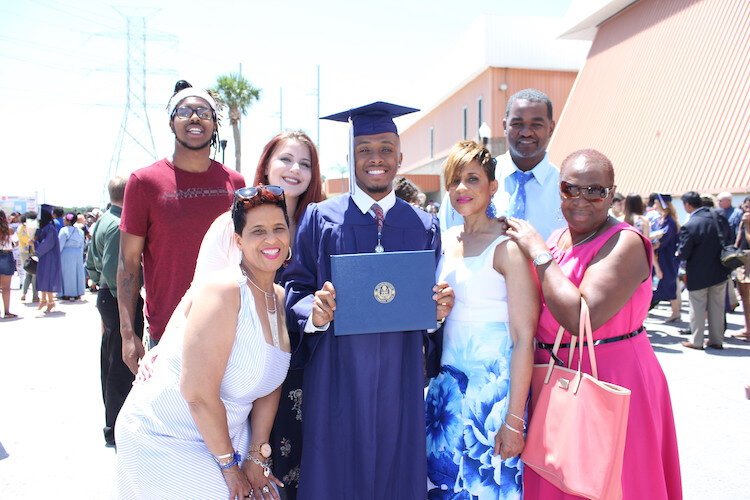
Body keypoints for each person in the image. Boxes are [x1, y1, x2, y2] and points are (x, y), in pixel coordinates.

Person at [284, 101, 455, 499]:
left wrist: (437, 314)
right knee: (335, 468)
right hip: (335, 373)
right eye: (364, 149)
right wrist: (316, 311)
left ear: (399, 156)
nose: (375, 158)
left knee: (396, 468)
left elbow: (425, 305)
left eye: (385, 148)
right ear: (351, 156)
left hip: (400, 373)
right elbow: (295, 288)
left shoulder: (424, 225)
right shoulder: (320, 218)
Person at [507, 149, 682, 499]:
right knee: (555, 477)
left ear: (611, 193)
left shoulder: (625, 242)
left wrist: (537, 252)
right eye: (572, 189)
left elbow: (579, 316)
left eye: (595, 191)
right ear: (560, 190)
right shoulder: (557, 239)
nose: (582, 199)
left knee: (613, 480)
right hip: (553, 377)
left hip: (611, 375)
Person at [116, 186, 292, 499]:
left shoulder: (277, 297)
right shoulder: (224, 290)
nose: (270, 240)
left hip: (225, 436)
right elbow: (197, 393)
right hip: (165, 435)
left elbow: (270, 382)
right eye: (258, 231)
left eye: (278, 228)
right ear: (238, 241)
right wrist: (229, 467)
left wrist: (256, 456)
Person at [425, 141, 538, 498]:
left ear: (492, 187)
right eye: (454, 180)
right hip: (446, 392)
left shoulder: (508, 247)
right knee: (442, 487)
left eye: (472, 179)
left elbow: (524, 337)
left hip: (494, 396)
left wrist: (514, 419)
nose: (461, 189)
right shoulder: (442, 242)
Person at [118, 80, 245, 373]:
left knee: (227, 418)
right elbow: (127, 265)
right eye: (184, 110)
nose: (195, 117)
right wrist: (128, 333)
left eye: (204, 111)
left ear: (214, 124)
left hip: (230, 327)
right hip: (168, 332)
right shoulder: (144, 183)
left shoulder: (235, 183)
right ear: (171, 121)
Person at [439, 88, 565, 241]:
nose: (526, 132)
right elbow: (449, 242)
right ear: (505, 126)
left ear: (550, 128)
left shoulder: (565, 190)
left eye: (536, 124)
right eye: (517, 124)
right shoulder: (472, 180)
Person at [86, 176, 145, 448]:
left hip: (105, 295)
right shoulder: (118, 226)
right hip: (117, 297)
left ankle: (111, 424)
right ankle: (117, 427)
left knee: (109, 363)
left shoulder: (102, 221)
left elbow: (94, 265)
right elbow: (116, 270)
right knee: (123, 366)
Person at [677, 191, 731, 350]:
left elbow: (684, 252)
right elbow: (730, 237)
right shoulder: (718, 217)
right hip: (720, 269)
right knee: (717, 306)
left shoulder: (690, 224)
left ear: (687, 205)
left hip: (698, 272)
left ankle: (697, 340)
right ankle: (716, 339)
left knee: (697, 306)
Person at [650, 194, 682, 321]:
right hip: (659, 257)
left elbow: (664, 239)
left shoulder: (670, 221)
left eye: (657, 203)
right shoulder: (660, 219)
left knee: (669, 283)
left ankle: (675, 312)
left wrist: (654, 243)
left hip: (667, 258)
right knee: (656, 285)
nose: (655, 205)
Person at [35, 205, 62, 313]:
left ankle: (50, 301)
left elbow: (47, 244)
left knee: (48, 278)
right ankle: (43, 299)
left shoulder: (50, 228)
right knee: (42, 277)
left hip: (50, 257)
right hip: (43, 257)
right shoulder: (43, 227)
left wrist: (36, 248)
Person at [731, 196, 750, 341]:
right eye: (745, 206)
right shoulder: (742, 220)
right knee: (744, 298)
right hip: (743, 261)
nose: (747, 209)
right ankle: (747, 328)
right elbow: (738, 241)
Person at [58, 212, 86, 300]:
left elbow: (60, 244)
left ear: (67, 220)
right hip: (77, 253)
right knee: (77, 273)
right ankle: (78, 292)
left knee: (67, 273)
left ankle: (67, 293)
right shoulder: (80, 231)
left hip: (66, 253)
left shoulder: (63, 230)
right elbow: (82, 244)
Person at [17, 212, 39, 303]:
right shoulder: (32, 228)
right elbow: (31, 241)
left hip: (23, 252)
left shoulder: (20, 228)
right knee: (34, 274)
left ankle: (24, 294)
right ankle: (35, 296)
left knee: (28, 273)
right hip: (32, 252)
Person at [0, 210, 18, 319]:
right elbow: (16, 243)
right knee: (6, 287)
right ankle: (7, 312)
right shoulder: (9, 230)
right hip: (6, 256)